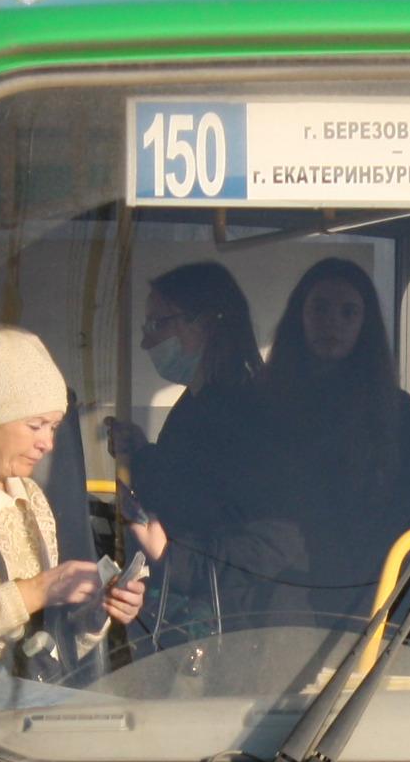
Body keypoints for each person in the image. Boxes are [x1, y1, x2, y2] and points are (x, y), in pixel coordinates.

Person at [260, 257, 410, 621]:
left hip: (379, 598)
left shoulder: (398, 413)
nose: (333, 322)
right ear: (300, 315)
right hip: (279, 597)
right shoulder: (262, 405)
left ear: (366, 325)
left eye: (349, 312)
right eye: (321, 308)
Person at [0, 326, 142, 670]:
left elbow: (49, 643)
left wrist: (95, 614)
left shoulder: (32, 499)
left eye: (53, 428)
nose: (48, 444)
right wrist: (35, 592)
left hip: (23, 688)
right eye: (36, 426)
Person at [101, 261, 280, 629]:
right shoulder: (199, 400)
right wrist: (141, 452)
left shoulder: (246, 409)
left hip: (222, 616)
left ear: (205, 322)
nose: (146, 341)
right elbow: (185, 480)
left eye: (158, 324)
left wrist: (168, 553)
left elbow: (233, 523)